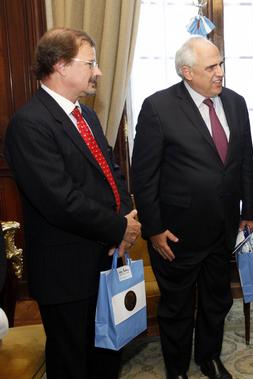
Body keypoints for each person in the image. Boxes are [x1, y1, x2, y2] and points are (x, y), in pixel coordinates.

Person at [4, 28, 141, 379]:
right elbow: (60, 201)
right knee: (71, 362)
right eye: (91, 62)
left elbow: (113, 173)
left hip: (105, 259)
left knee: (107, 354)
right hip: (65, 271)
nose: (97, 71)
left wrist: (126, 214)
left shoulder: (87, 115)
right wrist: (120, 227)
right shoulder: (29, 124)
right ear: (61, 65)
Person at [131, 36, 253, 379]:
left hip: (223, 228)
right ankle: (177, 370)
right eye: (211, 67)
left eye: (221, 63)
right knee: (176, 307)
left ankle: (209, 357)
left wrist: (250, 212)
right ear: (187, 72)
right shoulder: (158, 107)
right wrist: (154, 229)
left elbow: (245, 160)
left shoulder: (234, 102)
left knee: (218, 300)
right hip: (176, 234)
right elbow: (143, 178)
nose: (220, 72)